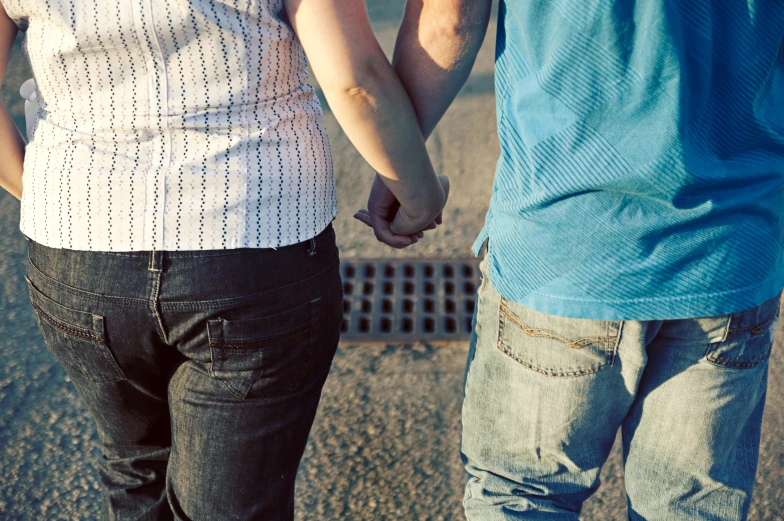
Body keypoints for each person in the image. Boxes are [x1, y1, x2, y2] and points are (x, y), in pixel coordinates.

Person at [0, 0, 447, 519]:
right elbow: (354, 79)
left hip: (77, 246)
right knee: (236, 503)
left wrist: (49, 195)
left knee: (134, 464)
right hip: (253, 243)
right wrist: (418, 195)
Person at [358, 1, 784, 520]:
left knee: (523, 497)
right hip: (729, 254)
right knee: (691, 509)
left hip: (564, 248)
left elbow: (450, 17)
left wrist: (401, 159)